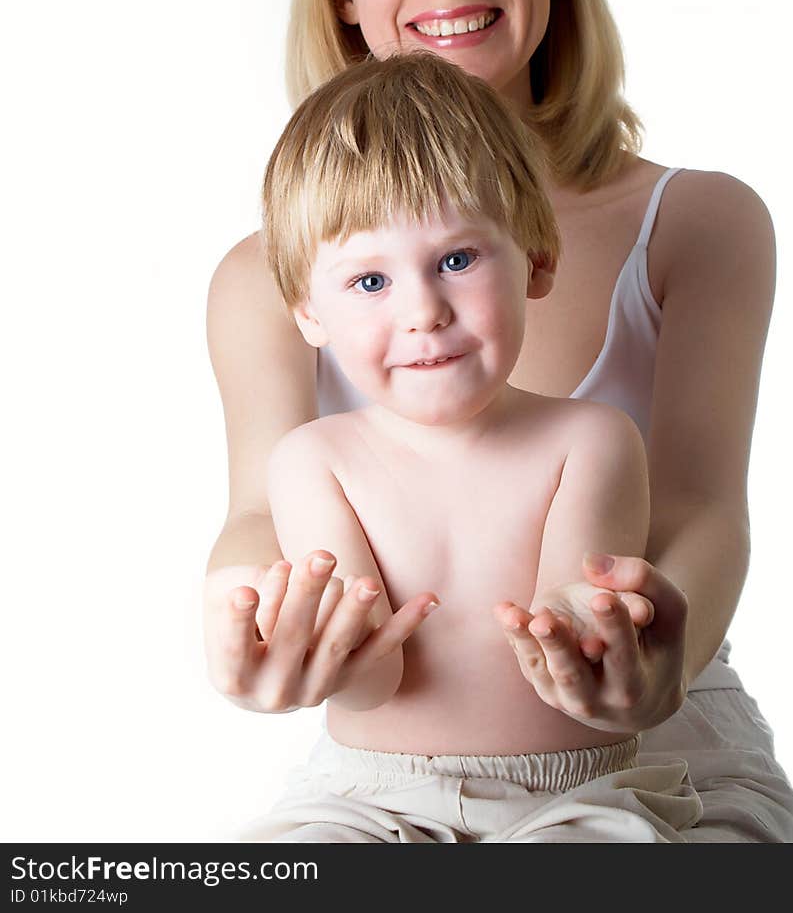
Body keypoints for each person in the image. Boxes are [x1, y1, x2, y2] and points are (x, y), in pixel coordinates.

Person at [205, 0, 793, 843]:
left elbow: (705, 506)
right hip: (394, 762)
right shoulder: (263, 274)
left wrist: (648, 667)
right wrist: (247, 621)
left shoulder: (698, 220)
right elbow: (263, 506)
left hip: (657, 741)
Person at [237, 53, 703, 843]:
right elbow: (376, 676)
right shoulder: (315, 460)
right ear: (308, 313)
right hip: (369, 797)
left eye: (457, 259)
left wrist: (578, 630)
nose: (423, 311)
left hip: (572, 794)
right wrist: (325, 650)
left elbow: (569, 645)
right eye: (369, 282)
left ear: (537, 260)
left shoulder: (587, 440)